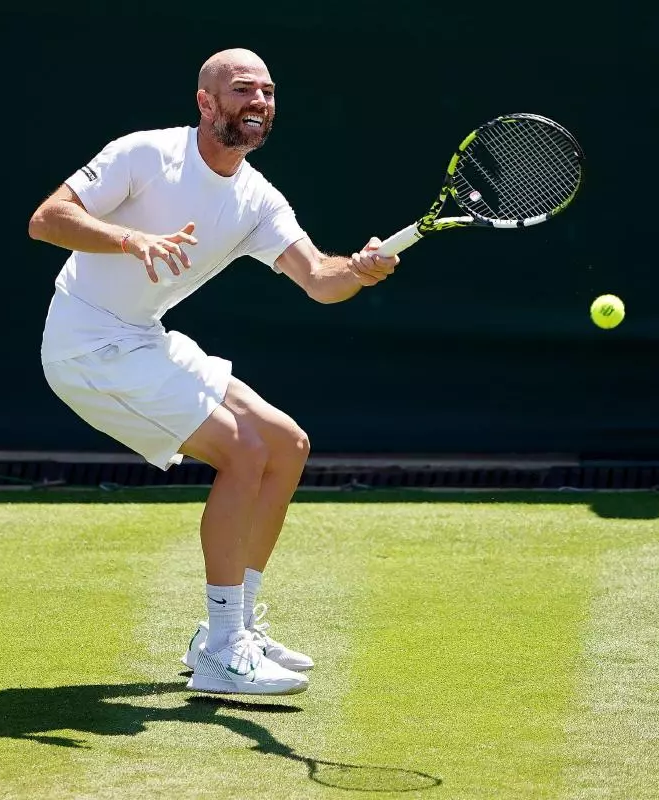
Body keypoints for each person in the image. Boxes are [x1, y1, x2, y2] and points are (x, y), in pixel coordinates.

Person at [28, 48, 399, 696]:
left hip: (142, 338)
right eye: (242, 91)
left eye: (268, 92)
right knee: (245, 450)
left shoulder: (257, 199)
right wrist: (129, 240)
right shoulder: (145, 156)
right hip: (86, 346)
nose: (258, 102)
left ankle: (235, 628)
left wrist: (359, 271)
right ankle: (223, 652)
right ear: (206, 103)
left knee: (286, 445)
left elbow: (318, 279)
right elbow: (46, 220)